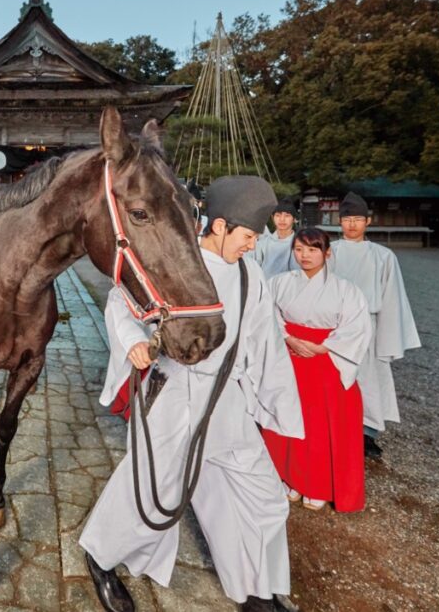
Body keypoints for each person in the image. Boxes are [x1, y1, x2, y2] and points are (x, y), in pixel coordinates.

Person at [79, 176, 304, 612]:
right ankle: (101, 557)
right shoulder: (175, 261)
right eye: (248, 236)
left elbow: (264, 341)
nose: (252, 246)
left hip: (226, 398)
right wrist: (133, 342)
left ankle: (255, 589)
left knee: (260, 494)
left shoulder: (248, 273)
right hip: (176, 393)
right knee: (151, 489)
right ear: (219, 226)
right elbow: (119, 302)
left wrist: (277, 403)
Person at [262, 227, 372, 512]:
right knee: (286, 418)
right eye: (299, 249)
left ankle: (317, 485)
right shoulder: (279, 283)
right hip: (289, 357)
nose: (304, 255)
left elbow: (357, 328)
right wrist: (287, 337)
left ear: (327, 252)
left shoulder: (346, 290)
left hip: (326, 362)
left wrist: (322, 347)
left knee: (320, 425)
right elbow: (265, 312)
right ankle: (288, 478)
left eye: (312, 249)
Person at [329, 192, 421, 460]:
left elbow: (392, 297)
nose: (352, 225)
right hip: (334, 323)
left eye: (358, 219)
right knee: (335, 377)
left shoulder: (383, 256)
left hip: (368, 323)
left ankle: (366, 433)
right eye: (347, 219)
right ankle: (333, 428)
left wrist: (387, 335)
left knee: (368, 379)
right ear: (340, 221)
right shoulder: (328, 251)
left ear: (368, 221)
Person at [248, 197, 301, 278]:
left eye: (287, 216)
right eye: (278, 215)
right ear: (273, 218)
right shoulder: (263, 244)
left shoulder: (299, 244)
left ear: (294, 219)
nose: (282, 219)